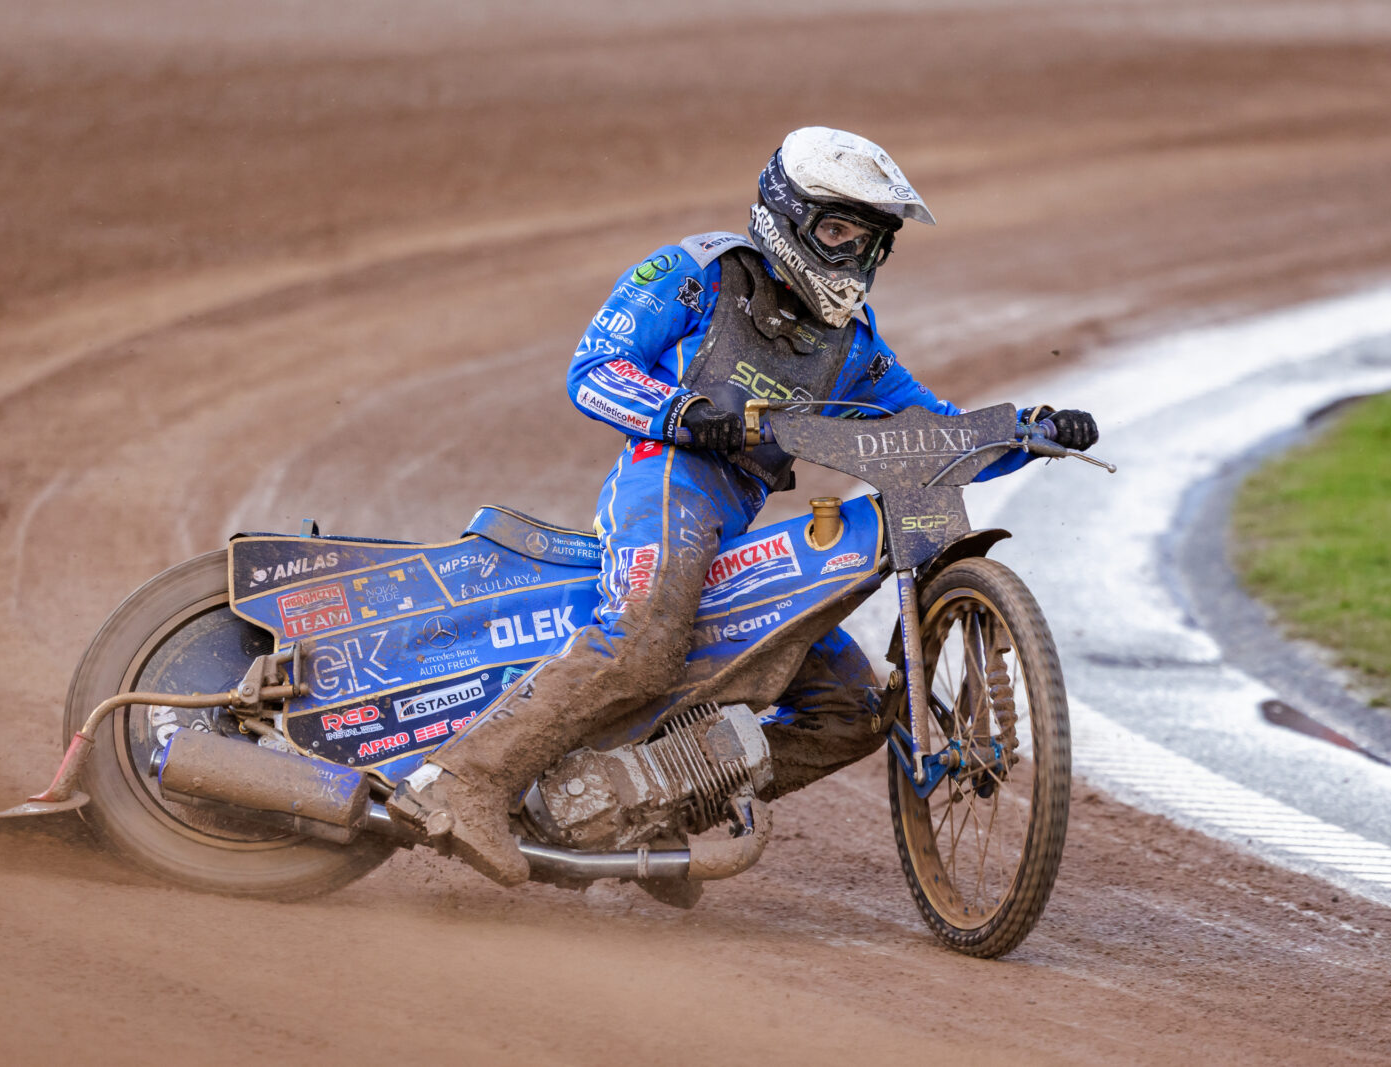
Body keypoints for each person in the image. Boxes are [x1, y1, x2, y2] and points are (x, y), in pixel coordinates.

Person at [390, 126, 1098, 886]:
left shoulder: (854, 347)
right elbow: (594, 367)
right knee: (644, 641)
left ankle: (639, 809)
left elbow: (933, 434)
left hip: (734, 524)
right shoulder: (697, 274)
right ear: (786, 216)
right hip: (665, 480)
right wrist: (684, 411)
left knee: (854, 711)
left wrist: (1027, 431)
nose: (852, 256)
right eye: (837, 232)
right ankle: (459, 782)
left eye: (868, 242)